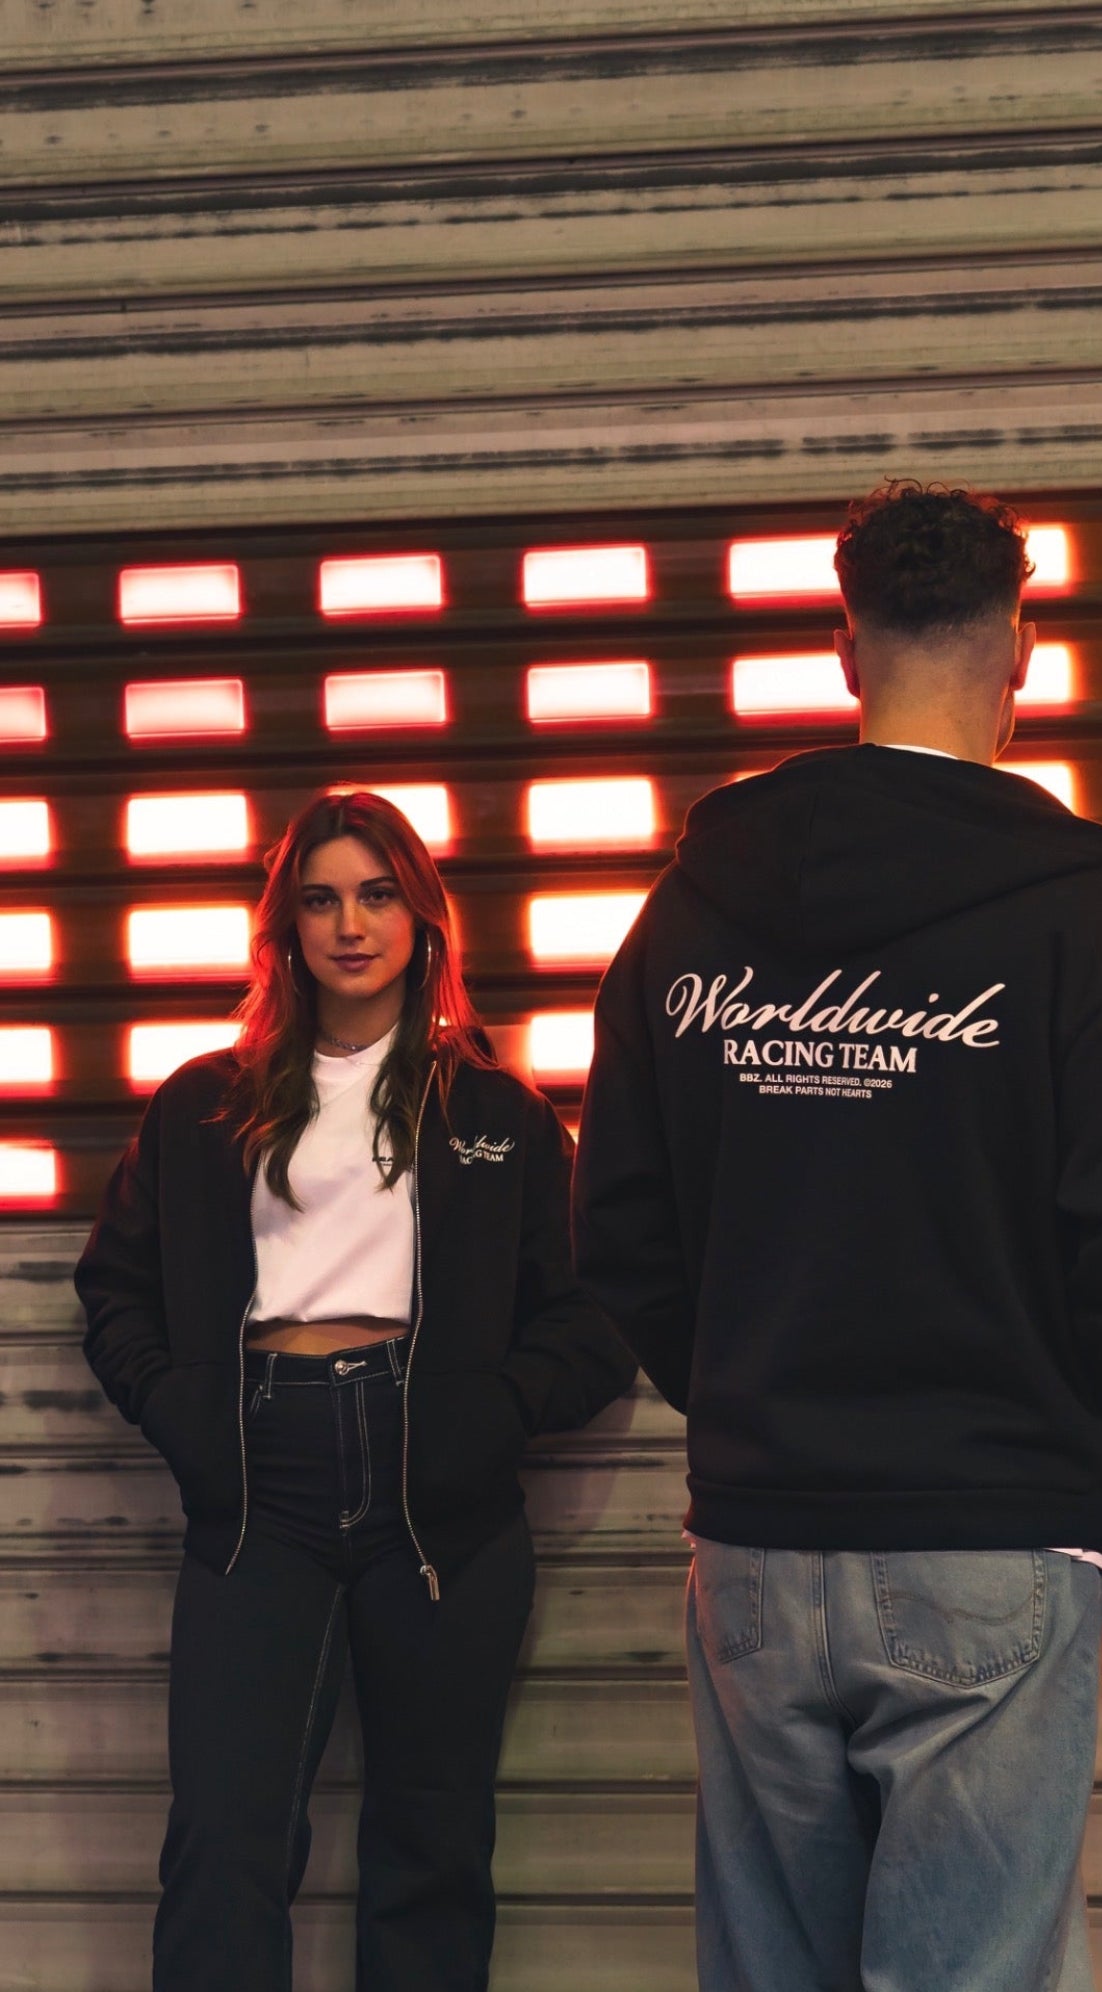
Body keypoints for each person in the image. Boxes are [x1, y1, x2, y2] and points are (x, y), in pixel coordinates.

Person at [571, 480, 1102, 1992]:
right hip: (992, 1533)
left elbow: (619, 1222)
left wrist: (753, 1399)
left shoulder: (688, 917)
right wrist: (1075, 1444)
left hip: (756, 1548)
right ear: (1023, 649)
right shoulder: (1097, 925)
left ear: (845, 647)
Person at [76, 788, 635, 1992]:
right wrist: (183, 1416)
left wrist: (491, 1414)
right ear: (286, 925)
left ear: (422, 917)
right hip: (257, 1490)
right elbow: (114, 1291)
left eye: (378, 895)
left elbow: (594, 1315)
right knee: (224, 1843)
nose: (351, 925)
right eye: (322, 899)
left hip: (438, 1501)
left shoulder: (495, 1113)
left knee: (432, 1849)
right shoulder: (204, 1103)